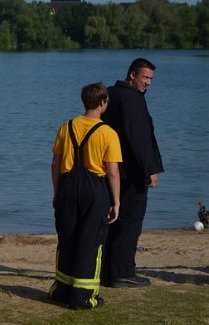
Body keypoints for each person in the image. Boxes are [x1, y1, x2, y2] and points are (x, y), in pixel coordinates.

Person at [49, 83, 122, 310]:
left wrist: (57, 192)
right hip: (94, 188)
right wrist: (116, 202)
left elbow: (55, 163)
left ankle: (61, 290)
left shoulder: (66, 127)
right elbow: (112, 171)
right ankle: (83, 296)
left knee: (67, 237)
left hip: (68, 186)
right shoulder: (108, 133)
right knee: (91, 241)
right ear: (102, 103)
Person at [101, 58, 164, 288]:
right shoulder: (133, 100)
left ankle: (106, 271)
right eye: (145, 77)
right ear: (132, 75)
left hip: (110, 169)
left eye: (150, 79)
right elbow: (138, 139)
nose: (148, 83)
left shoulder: (109, 94)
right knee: (130, 222)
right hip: (131, 171)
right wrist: (150, 170)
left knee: (112, 220)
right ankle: (123, 272)